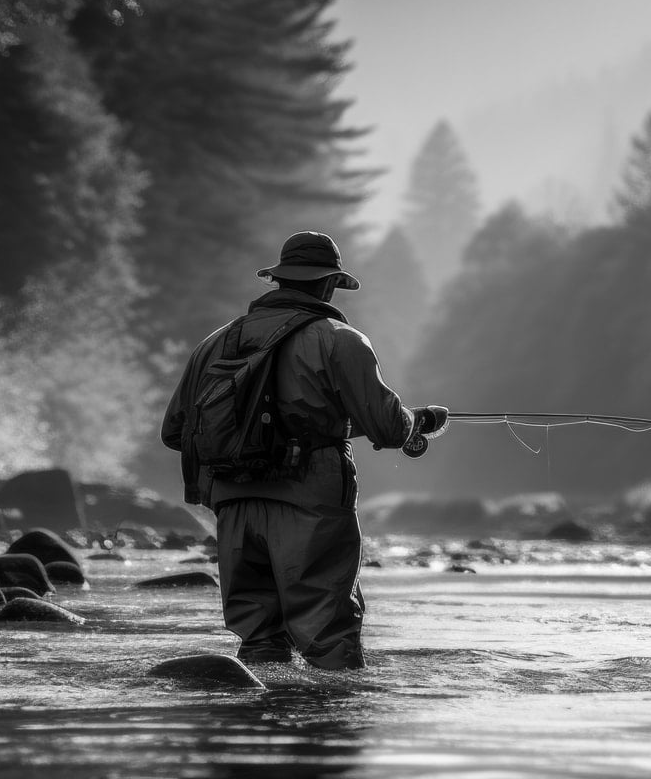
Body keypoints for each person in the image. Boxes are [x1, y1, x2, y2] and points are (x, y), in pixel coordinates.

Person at [161, 230, 445, 671]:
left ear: (278, 280)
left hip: (233, 503)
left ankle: (257, 724)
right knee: (329, 633)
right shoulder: (340, 339)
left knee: (259, 638)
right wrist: (419, 422)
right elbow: (388, 428)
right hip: (308, 499)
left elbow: (175, 431)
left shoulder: (214, 343)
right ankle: (329, 727)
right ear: (330, 283)